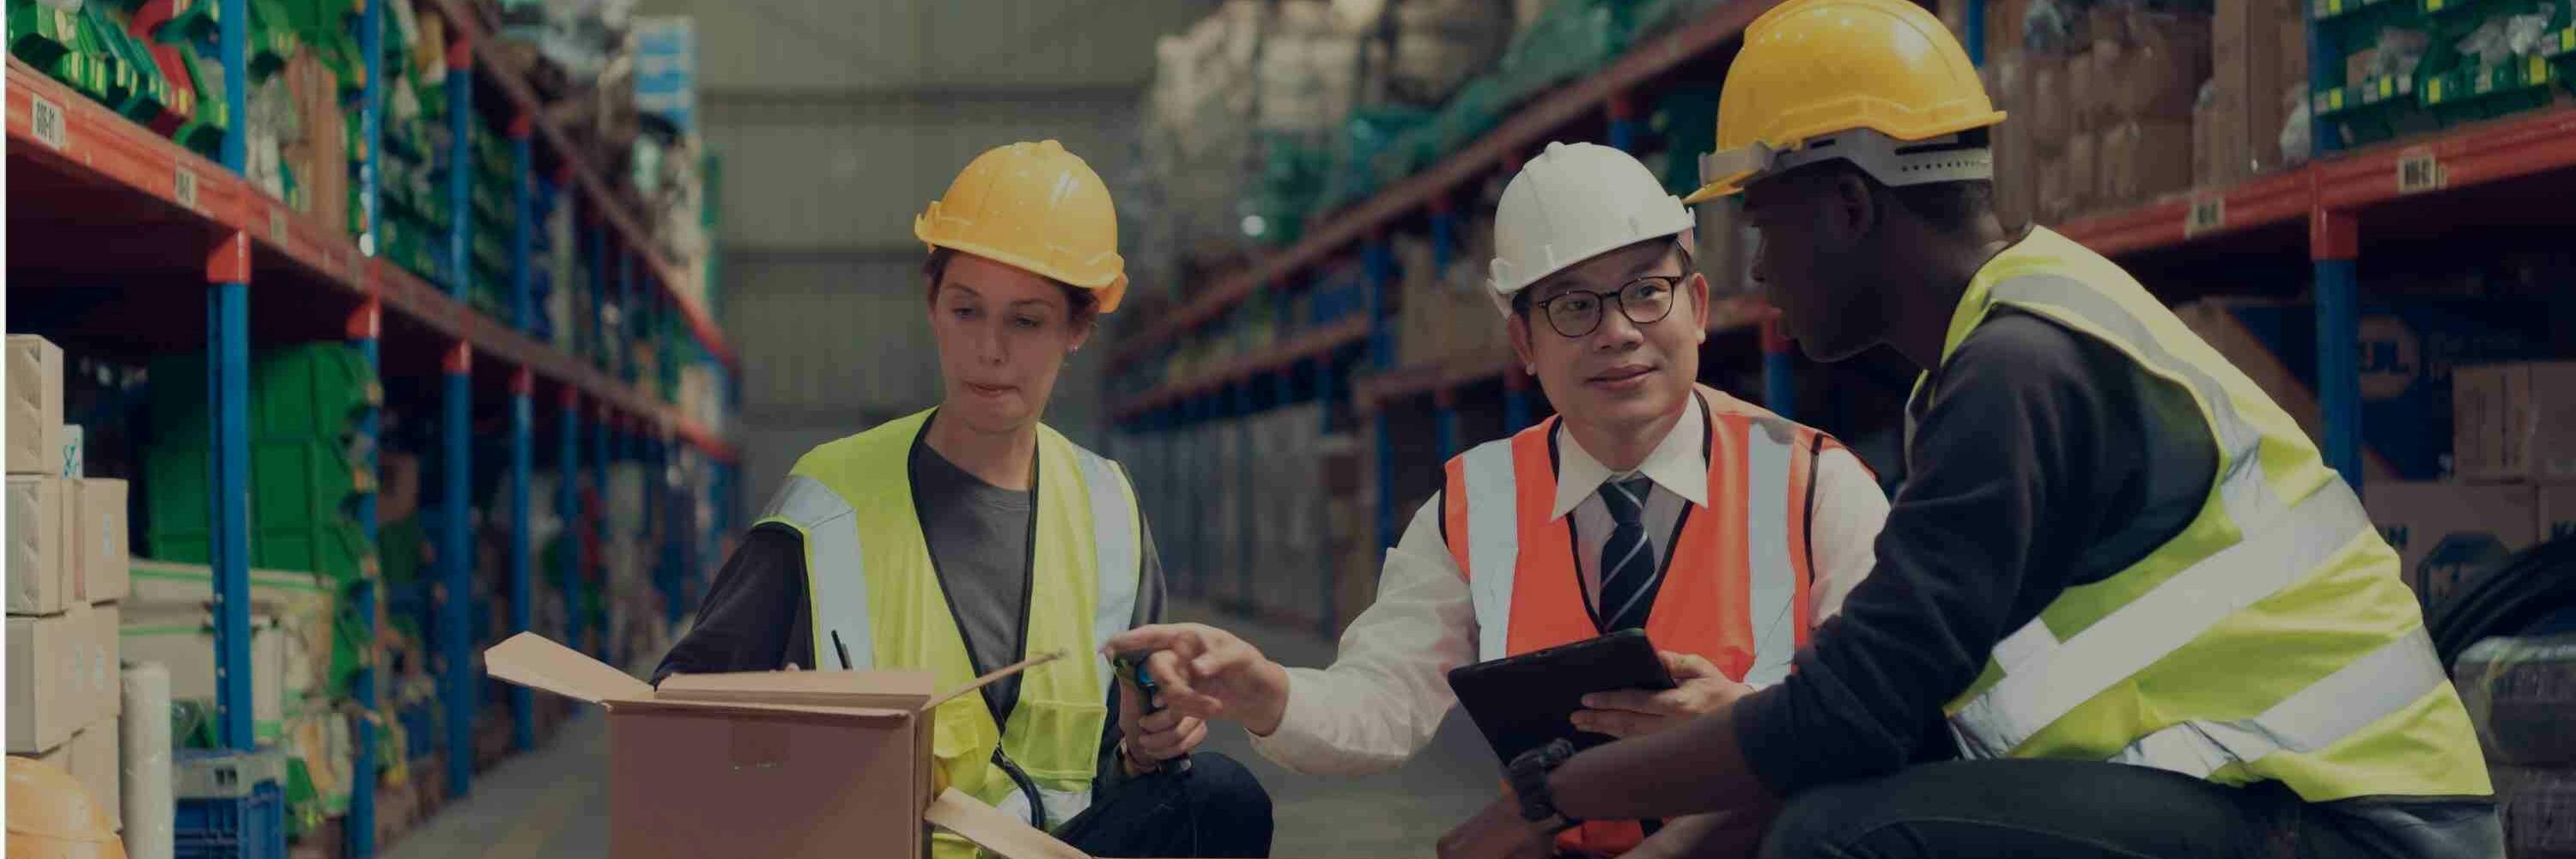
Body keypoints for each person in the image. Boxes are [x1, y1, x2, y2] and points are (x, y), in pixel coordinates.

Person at [1431, 2, 2501, 857]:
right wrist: (1733, 737)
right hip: (2264, 805)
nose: (1755, 268)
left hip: (2350, 828)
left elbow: (1848, 715)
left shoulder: (2020, 372)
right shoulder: (2006, 341)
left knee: (1839, 836)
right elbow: (1892, 704)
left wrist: (1556, 789)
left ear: (1848, 205)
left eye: (1763, 221)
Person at [1106, 141, 1892, 857]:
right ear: (1523, 344)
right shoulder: (1476, 502)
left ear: (1698, 306)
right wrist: (1266, 691)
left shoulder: (1816, 485)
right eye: (1574, 306)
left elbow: (1894, 719)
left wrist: (1752, 721)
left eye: (1646, 292)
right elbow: (1380, 705)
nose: (1618, 332)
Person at [656, 140, 1273, 859]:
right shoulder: (828, 505)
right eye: (967, 310)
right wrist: (779, 733)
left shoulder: (1108, 510)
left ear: (1077, 330)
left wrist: (1141, 752)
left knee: (1220, 800)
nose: (989, 349)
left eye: (1026, 321)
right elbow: (673, 717)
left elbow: (1115, 769)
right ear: (932, 305)